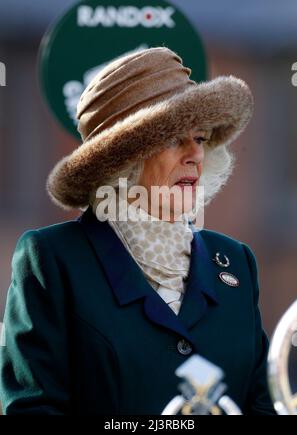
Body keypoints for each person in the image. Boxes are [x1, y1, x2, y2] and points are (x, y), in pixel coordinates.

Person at [0, 47, 276, 415]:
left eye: (200, 138)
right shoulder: (52, 259)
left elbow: (263, 403)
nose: (195, 154)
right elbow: (33, 409)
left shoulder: (237, 262)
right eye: (175, 138)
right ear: (124, 160)